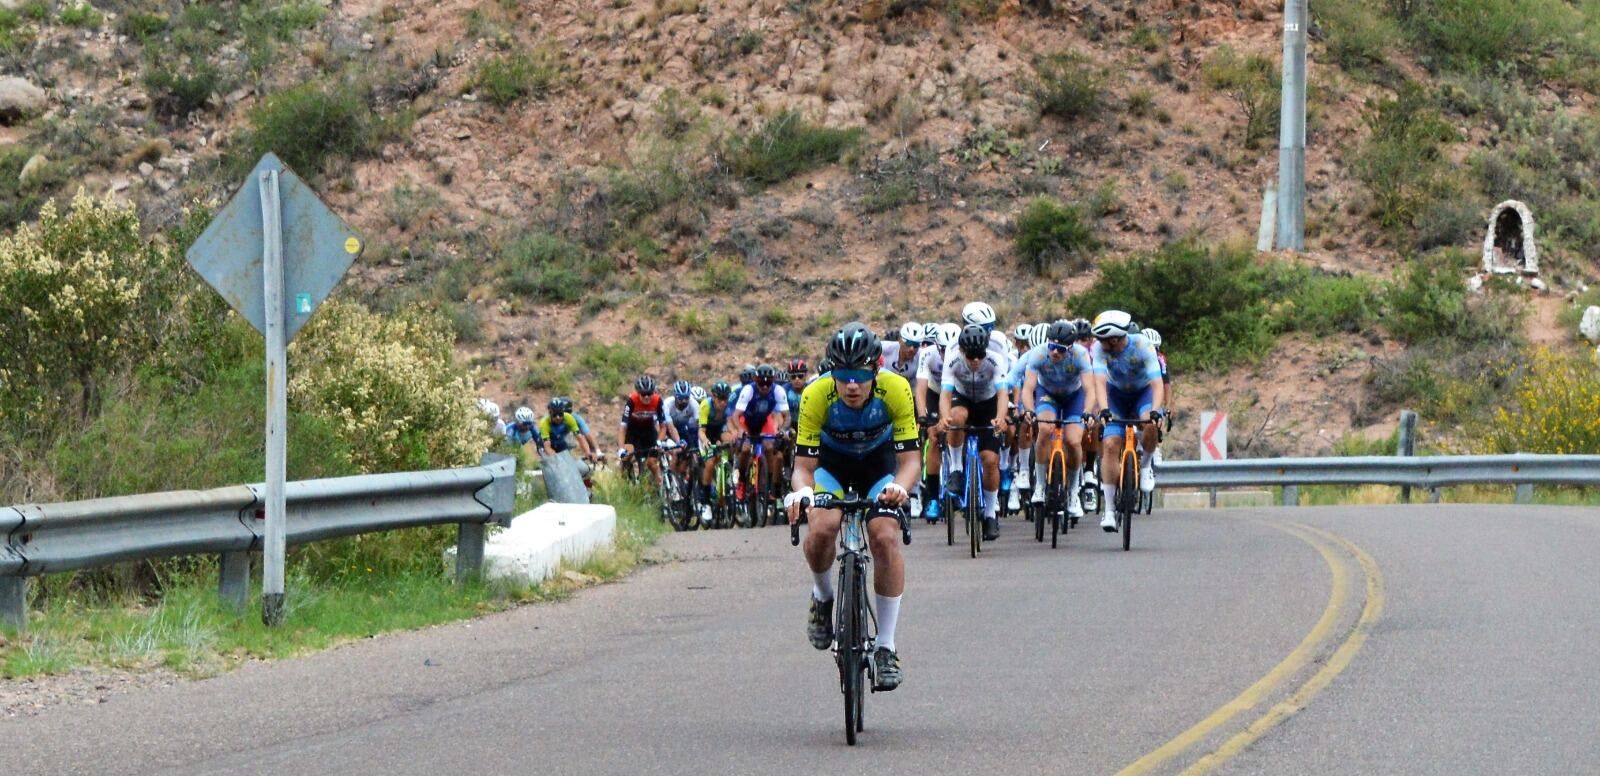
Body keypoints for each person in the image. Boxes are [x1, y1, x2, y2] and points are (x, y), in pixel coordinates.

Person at [785, 322, 920, 691]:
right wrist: (804, 494)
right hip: (832, 468)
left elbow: (910, 460)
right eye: (842, 376)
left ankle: (886, 646)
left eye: (859, 376)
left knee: (885, 537)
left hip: (879, 468)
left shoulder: (896, 389)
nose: (851, 386)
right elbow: (803, 468)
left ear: (876, 369)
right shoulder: (816, 394)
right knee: (822, 527)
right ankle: (822, 595)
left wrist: (899, 488)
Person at [930, 324, 1010, 541]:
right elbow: (945, 394)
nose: (975, 360)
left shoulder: (995, 360)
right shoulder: (953, 359)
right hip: (962, 399)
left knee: (990, 460)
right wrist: (944, 417)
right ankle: (956, 468)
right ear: (962, 351)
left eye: (980, 354)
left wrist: (1001, 418)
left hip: (988, 404)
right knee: (955, 418)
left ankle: (990, 515)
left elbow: (1003, 394)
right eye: (971, 355)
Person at [1088, 310, 1166, 531]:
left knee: (1150, 424)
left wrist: (1156, 411)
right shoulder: (1099, 349)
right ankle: (1109, 510)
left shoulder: (1142, 345)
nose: (1098, 343)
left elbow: (1157, 384)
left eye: (1102, 339)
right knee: (1110, 444)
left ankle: (1146, 464)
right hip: (1116, 395)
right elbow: (1099, 382)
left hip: (1143, 392)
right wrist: (1104, 409)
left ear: (1114, 339)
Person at [1020, 321, 1094, 519]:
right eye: (1052, 347)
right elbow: (1028, 388)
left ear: (1070, 348)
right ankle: (1040, 486)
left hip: (1073, 397)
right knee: (1044, 429)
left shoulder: (1080, 355)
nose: (1054, 352)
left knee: (1073, 441)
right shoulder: (1038, 354)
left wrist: (1088, 411)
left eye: (1060, 349)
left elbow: (1089, 389)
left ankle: (1073, 493)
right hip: (1048, 395)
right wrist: (1029, 410)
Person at [914, 322, 960, 523]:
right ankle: (932, 498)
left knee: (958, 429)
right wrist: (922, 415)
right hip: (935, 393)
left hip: (957, 393)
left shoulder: (964, 356)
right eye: (942, 349)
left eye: (951, 349)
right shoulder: (928, 354)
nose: (946, 353)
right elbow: (920, 389)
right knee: (933, 437)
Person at [733, 363, 790, 505]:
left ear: (773, 381)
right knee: (745, 449)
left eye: (768, 383)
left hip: (764, 421)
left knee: (769, 446)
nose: (764, 386)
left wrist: (783, 429)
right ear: (755, 380)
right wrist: (740, 429)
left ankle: (769, 483)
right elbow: (736, 415)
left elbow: (787, 416)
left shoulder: (778, 391)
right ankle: (741, 481)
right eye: (761, 383)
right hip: (747, 422)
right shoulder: (748, 390)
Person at [618, 375, 677, 485]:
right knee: (627, 454)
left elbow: (663, 426)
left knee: (652, 462)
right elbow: (623, 427)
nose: (646, 397)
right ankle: (624, 481)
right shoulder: (632, 401)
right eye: (643, 394)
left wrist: (659, 441)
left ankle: (658, 485)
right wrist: (621, 448)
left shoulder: (657, 400)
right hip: (632, 431)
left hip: (648, 430)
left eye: (649, 394)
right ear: (638, 393)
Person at [697, 381, 736, 522]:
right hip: (706, 433)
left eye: (725, 399)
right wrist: (705, 441)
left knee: (731, 442)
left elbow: (730, 426)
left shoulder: (728, 406)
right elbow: (701, 431)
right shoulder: (706, 405)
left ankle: (729, 472)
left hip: (720, 431)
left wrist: (734, 436)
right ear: (713, 397)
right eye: (720, 399)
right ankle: (706, 503)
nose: (723, 403)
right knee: (710, 463)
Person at [665, 380, 702, 497]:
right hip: (667, 430)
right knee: (676, 451)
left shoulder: (693, 404)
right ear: (675, 396)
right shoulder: (668, 404)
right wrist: (678, 442)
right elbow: (670, 427)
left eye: (686, 398)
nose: (684, 401)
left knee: (692, 453)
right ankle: (672, 483)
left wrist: (701, 444)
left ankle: (685, 479)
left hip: (681, 429)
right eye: (680, 398)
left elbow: (700, 426)